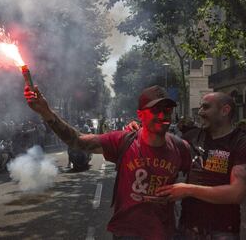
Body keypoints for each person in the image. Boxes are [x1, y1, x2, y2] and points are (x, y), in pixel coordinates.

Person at [24, 84, 191, 239]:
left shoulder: (181, 148)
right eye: (155, 110)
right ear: (140, 114)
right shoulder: (123, 141)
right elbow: (78, 140)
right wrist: (46, 113)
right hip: (127, 234)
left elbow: (192, 191)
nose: (163, 116)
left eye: (167, 110)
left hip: (165, 234)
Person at [154, 92, 246, 239]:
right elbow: (162, 152)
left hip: (221, 232)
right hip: (186, 228)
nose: (200, 112)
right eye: (201, 107)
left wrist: (188, 190)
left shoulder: (242, 143)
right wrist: (136, 132)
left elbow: (236, 193)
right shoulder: (191, 137)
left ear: (224, 111)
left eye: (206, 107)